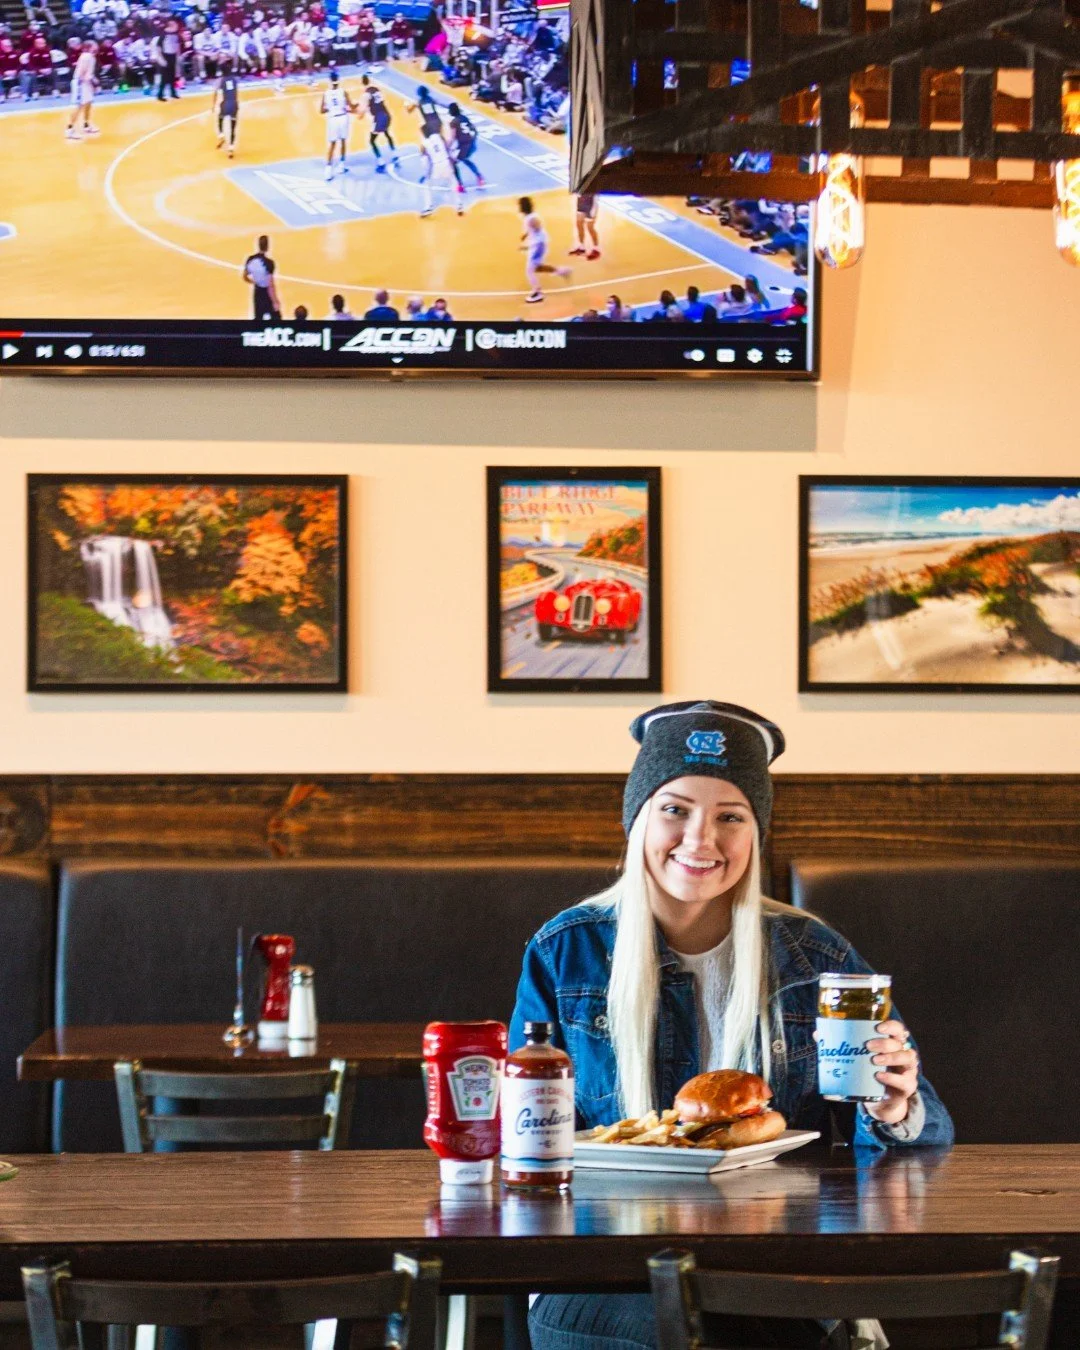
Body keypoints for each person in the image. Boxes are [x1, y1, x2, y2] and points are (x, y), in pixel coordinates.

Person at [513, 699, 955, 1350]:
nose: (702, 839)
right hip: (600, 1270)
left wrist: (896, 1107)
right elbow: (521, 1139)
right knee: (684, 1325)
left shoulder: (817, 956)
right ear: (637, 820)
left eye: (730, 817)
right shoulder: (567, 951)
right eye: (675, 809)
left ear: (756, 833)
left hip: (775, 1264)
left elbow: (922, 1146)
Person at [518, 195, 569, 304]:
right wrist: (526, 235)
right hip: (538, 244)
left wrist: (528, 245)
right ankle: (562, 271)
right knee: (537, 268)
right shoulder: (530, 217)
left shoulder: (531, 219)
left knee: (530, 270)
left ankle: (537, 293)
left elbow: (537, 230)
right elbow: (533, 230)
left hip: (538, 245)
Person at [320, 67, 355, 178]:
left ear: (330, 80)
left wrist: (330, 109)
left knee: (332, 144)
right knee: (343, 141)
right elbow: (351, 106)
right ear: (338, 80)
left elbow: (321, 110)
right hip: (343, 117)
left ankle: (328, 170)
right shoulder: (343, 92)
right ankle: (341, 165)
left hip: (333, 119)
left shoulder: (326, 94)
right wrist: (358, 105)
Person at [361, 72, 398, 171]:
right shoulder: (377, 90)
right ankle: (394, 153)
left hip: (379, 118)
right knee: (387, 133)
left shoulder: (366, 94)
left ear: (362, 82)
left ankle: (380, 161)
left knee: (372, 141)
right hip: (387, 114)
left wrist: (357, 113)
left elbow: (363, 110)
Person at [447, 100, 484, 194]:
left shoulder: (453, 122)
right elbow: (474, 130)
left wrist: (447, 147)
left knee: (453, 162)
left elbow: (452, 136)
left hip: (463, 145)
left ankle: (460, 185)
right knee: (465, 159)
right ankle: (479, 177)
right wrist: (473, 139)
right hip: (471, 143)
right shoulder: (464, 118)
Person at [65, 39, 98, 139]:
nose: (96, 46)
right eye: (94, 45)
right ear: (89, 47)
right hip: (80, 83)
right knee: (78, 106)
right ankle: (69, 130)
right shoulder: (86, 56)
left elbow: (89, 73)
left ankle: (86, 125)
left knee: (88, 103)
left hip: (86, 83)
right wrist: (92, 83)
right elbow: (82, 74)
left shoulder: (92, 57)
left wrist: (92, 81)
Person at [242, 234, 280, 320]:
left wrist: (254, 282)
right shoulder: (269, 263)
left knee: (258, 318)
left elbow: (245, 276)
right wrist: (275, 301)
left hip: (257, 292)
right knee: (276, 318)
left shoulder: (251, 259)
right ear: (267, 246)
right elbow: (270, 285)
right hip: (266, 293)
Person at [213, 58, 240, 157]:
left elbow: (215, 93)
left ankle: (221, 136)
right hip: (234, 104)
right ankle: (231, 149)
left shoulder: (220, 80)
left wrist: (213, 105)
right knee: (233, 127)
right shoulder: (235, 79)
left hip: (225, 104)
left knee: (220, 119)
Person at [569, 194, 599, 260]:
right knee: (579, 224)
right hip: (581, 204)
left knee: (590, 228)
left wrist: (593, 209)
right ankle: (581, 247)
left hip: (591, 205)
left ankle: (596, 249)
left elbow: (596, 196)